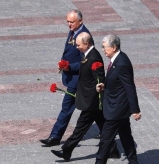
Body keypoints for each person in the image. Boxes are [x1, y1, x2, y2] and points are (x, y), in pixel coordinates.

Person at [51, 32, 120, 161]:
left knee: (80, 128)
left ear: (86, 44)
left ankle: (66, 151)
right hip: (90, 100)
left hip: (91, 102)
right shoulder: (87, 55)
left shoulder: (94, 57)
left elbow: (99, 79)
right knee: (104, 126)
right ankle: (113, 150)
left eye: (78, 45)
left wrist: (97, 94)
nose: (77, 47)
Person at [40, 9, 94, 146]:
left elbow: (85, 62)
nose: (69, 25)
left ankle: (55, 136)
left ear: (80, 21)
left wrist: (69, 66)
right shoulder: (73, 31)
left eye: (72, 22)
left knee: (67, 107)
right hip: (72, 77)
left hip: (78, 79)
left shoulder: (84, 36)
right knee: (94, 111)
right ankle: (110, 139)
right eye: (68, 22)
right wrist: (63, 62)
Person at [95, 34, 141, 164]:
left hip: (116, 110)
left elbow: (130, 88)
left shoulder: (122, 63)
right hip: (118, 108)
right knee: (126, 137)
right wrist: (104, 86)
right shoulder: (116, 60)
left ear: (114, 47)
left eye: (105, 47)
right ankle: (133, 161)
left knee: (105, 140)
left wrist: (135, 110)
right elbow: (118, 82)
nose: (103, 50)